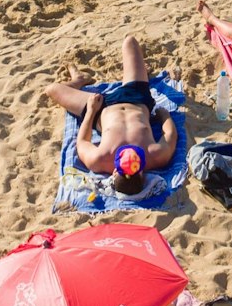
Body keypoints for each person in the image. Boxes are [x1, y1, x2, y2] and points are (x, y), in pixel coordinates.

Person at [41, 38, 179, 196]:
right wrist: (164, 115)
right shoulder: (156, 156)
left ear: (114, 172)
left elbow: (82, 141)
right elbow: (170, 134)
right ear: (142, 173)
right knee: (129, 42)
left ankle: (78, 81)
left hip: (102, 109)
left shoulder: (99, 160)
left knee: (52, 89)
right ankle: (141, 72)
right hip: (137, 98)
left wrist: (92, 111)